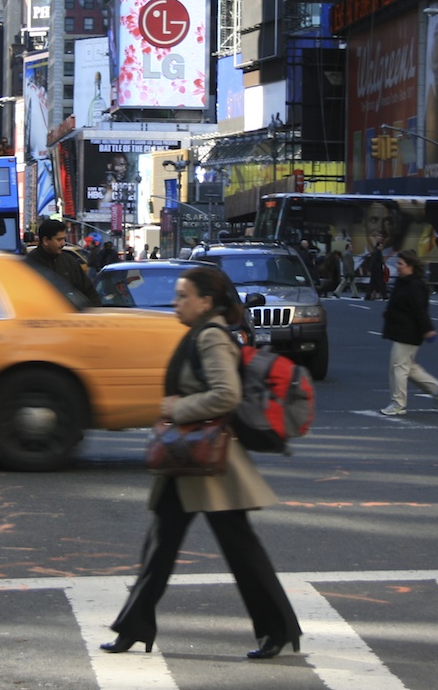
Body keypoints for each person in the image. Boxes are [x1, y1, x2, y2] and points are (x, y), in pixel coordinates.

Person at [101, 264, 300, 660]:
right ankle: (135, 625)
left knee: (238, 550)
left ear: (206, 301)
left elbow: (226, 394)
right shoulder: (199, 332)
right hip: (190, 461)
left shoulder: (210, 337)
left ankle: (278, 629)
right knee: (162, 546)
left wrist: (177, 408)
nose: (176, 302)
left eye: (183, 296)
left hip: (209, 463)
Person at [379, 249, 438, 416]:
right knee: (407, 366)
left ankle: (398, 403)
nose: (398, 266)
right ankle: (436, 389)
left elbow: (420, 310)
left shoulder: (415, 285)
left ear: (410, 266)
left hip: (409, 332)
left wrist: (427, 329)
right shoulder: (404, 282)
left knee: (398, 367)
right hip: (402, 330)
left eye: (400, 264)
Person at [24, 218, 102, 305]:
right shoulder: (28, 265)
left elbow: (89, 292)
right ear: (45, 240)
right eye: (59, 239)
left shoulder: (69, 262)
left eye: (64, 239)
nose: (63, 243)